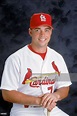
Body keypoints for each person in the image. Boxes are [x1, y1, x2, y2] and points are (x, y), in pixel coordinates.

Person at [1, 13, 72, 116]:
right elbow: (7, 93)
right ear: (30, 32)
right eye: (37, 30)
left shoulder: (58, 57)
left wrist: (56, 96)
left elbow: (65, 86)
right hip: (24, 110)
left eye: (46, 30)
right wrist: (38, 101)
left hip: (51, 109)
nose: (43, 34)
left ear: (51, 32)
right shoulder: (15, 59)